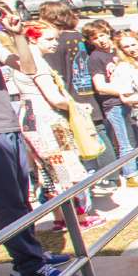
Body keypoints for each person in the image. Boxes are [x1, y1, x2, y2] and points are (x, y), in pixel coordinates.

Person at [0, 14, 77, 276]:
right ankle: (29, 267)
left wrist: (17, 37)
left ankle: (29, 256)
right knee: (6, 203)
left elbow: (26, 67)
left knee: (21, 200)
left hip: (7, 125)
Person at [17, 22, 105, 231]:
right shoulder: (36, 62)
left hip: (31, 121)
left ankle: (61, 218)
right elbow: (55, 98)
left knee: (50, 171)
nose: (55, 43)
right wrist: (78, 106)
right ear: (32, 39)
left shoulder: (22, 61)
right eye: (48, 39)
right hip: (48, 122)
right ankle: (78, 218)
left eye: (56, 38)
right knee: (66, 170)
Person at [39, 2, 118, 188]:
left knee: (80, 139)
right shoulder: (80, 38)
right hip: (87, 92)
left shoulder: (54, 43)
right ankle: (112, 175)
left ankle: (89, 179)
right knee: (98, 133)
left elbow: (55, 72)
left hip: (71, 96)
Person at [86, 20, 138, 189]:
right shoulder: (96, 58)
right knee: (125, 141)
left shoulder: (118, 52)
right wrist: (125, 91)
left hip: (133, 102)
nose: (100, 40)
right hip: (114, 104)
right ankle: (131, 174)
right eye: (95, 38)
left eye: (102, 35)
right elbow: (100, 86)